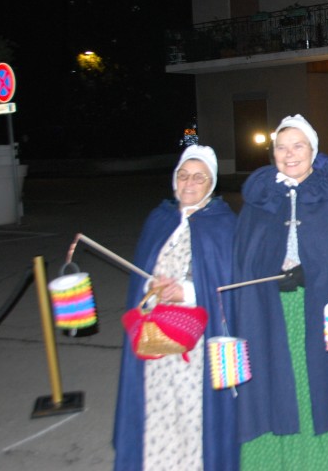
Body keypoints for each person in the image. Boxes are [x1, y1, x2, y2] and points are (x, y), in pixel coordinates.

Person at [232, 114, 328, 470]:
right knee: (276, 384)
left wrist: (319, 276)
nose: (290, 154)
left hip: (324, 312)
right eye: (282, 147)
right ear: (273, 152)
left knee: (319, 386)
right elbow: (244, 259)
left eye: (298, 146)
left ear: (313, 151)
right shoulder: (260, 200)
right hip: (270, 312)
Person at [113, 145, 239, 471]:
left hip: (197, 349)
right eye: (183, 176)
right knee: (157, 408)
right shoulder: (160, 219)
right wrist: (151, 288)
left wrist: (186, 291)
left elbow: (227, 286)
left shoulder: (224, 225)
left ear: (211, 183)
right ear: (174, 180)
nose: (189, 183)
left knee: (191, 412)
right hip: (156, 341)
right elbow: (141, 278)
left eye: (199, 177)